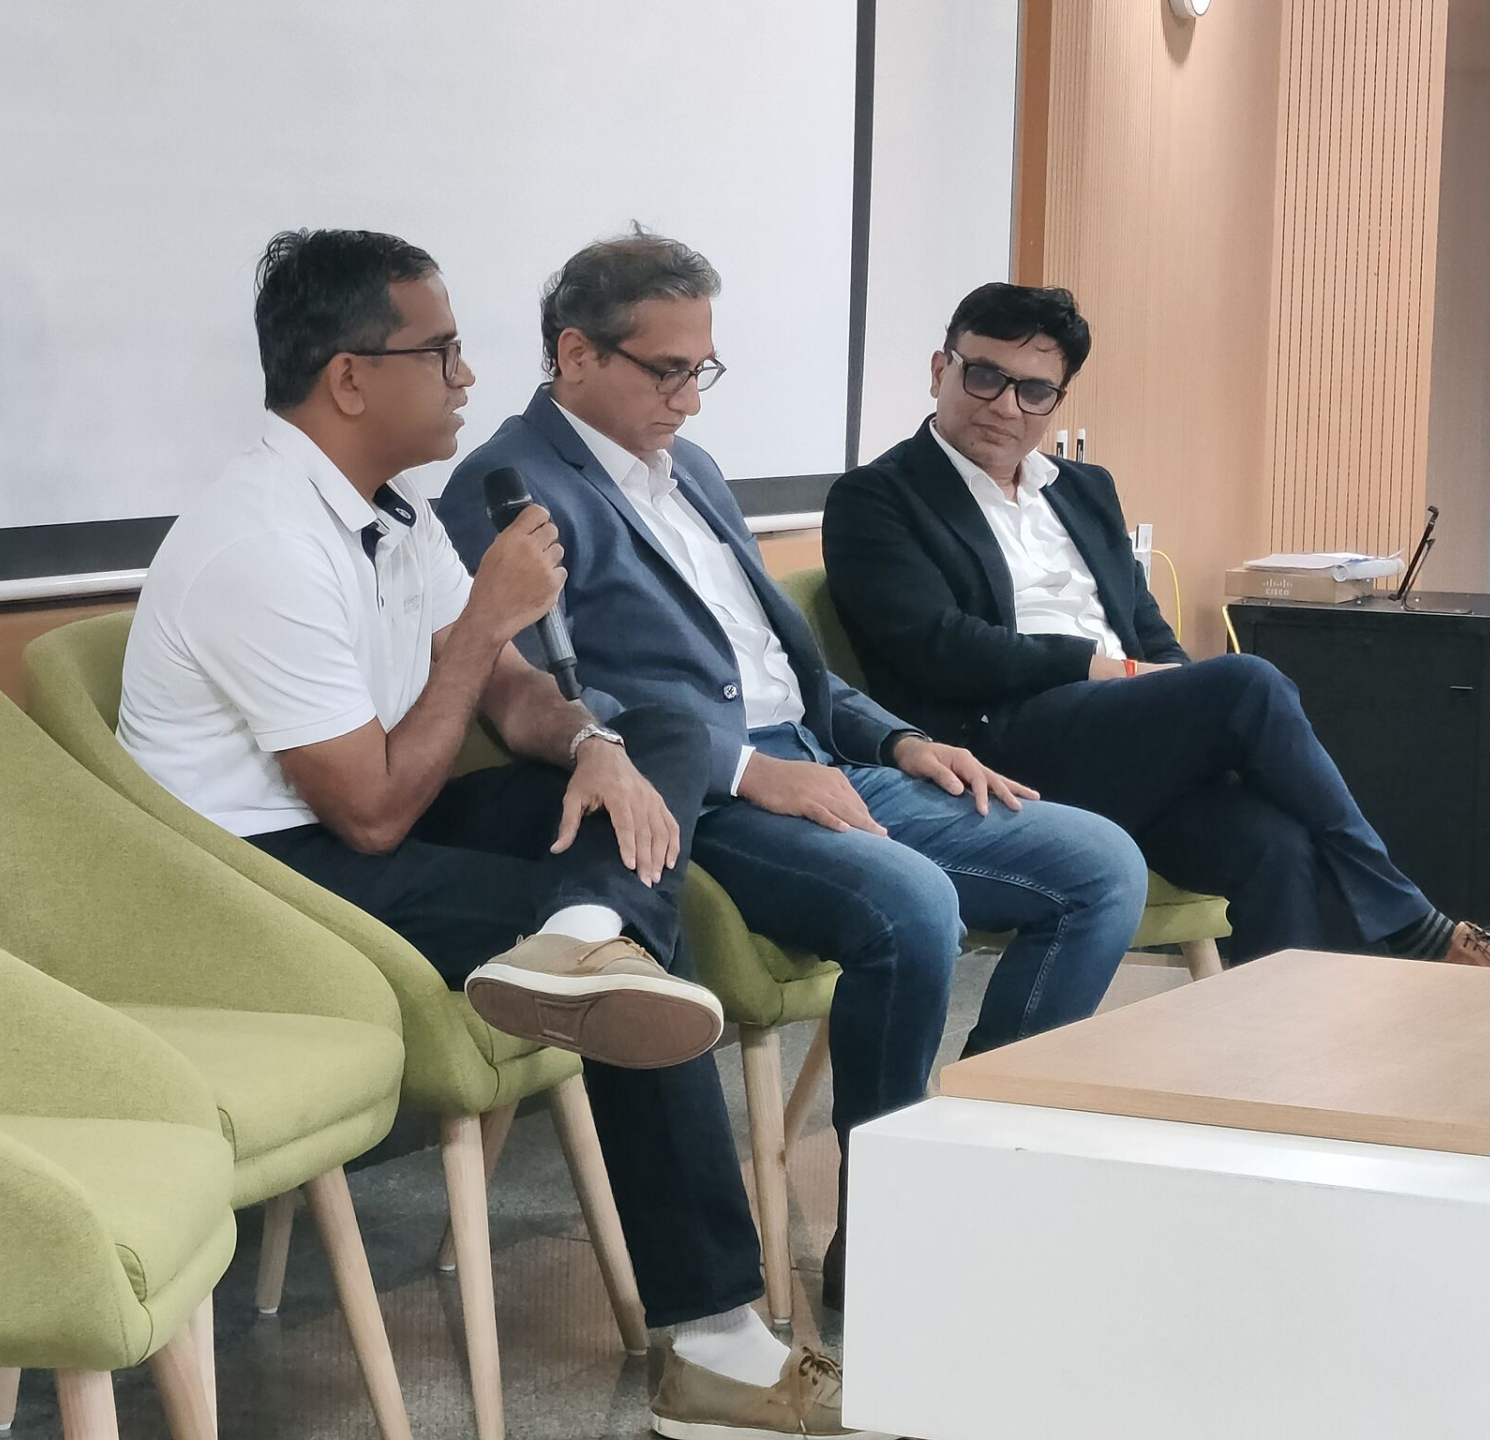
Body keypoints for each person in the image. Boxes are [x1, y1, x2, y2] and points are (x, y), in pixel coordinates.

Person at [117, 229, 870, 1438]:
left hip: (369, 822)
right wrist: (482, 625)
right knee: (641, 974)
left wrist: (595, 745)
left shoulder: (392, 511)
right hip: (263, 882)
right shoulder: (260, 542)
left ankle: (585, 931)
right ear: (349, 378)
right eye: (442, 351)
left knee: (663, 732)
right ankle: (718, 1351)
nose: (468, 376)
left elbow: (515, 695)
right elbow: (369, 814)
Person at [439, 230, 1150, 1313]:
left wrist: (898, 740)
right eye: (666, 371)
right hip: (699, 801)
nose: (690, 399)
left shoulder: (692, 471)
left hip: (827, 762)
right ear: (576, 354)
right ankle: (888, 1236)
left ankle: (960, 1176)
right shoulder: (507, 489)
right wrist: (748, 774)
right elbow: (545, 701)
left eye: (702, 370)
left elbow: (787, 665)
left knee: (1101, 865)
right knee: (912, 904)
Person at [822, 281, 1490, 978]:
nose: (1004, 406)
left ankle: (1276, 1072)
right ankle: (1415, 924)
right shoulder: (877, 497)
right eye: (984, 376)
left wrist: (1168, 689)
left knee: (1275, 845)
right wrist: (1115, 673)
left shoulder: (1083, 489)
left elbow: (1146, 628)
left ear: (1056, 401)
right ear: (941, 369)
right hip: (997, 751)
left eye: (1033, 391)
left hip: (1120, 748)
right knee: (1245, 681)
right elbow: (939, 648)